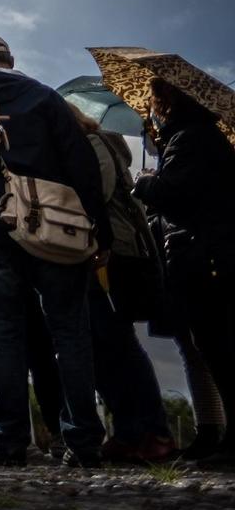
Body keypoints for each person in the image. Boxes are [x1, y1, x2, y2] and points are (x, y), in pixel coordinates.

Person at [0, 34, 110, 468]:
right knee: (70, 334)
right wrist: (98, 233)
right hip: (55, 232)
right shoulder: (44, 97)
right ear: (11, 59)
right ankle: (83, 440)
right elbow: (81, 165)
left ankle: (9, 441)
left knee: (4, 340)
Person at [134, 76, 235, 467]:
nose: (154, 106)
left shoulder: (190, 138)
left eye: (156, 97)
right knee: (213, 347)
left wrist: (145, 183)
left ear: (170, 99)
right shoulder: (197, 137)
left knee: (218, 349)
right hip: (209, 255)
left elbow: (174, 196)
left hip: (204, 257)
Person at [77, 111, 176, 462]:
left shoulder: (94, 143)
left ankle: (153, 430)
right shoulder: (99, 143)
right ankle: (130, 430)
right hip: (107, 251)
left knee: (118, 342)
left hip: (115, 252)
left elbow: (95, 193)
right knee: (104, 344)